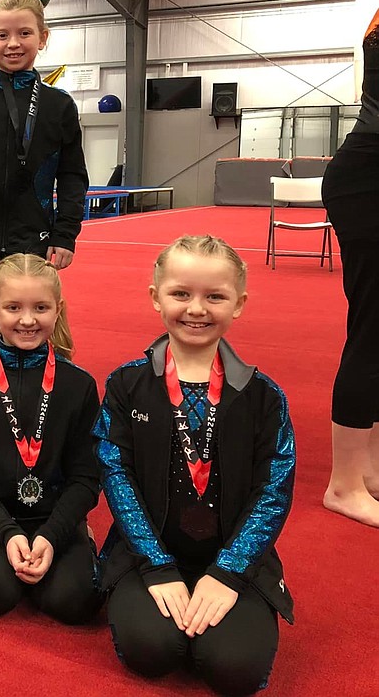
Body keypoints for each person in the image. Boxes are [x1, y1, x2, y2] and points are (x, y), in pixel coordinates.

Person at [94, 236, 295, 696]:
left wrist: (229, 573)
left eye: (215, 296)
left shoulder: (264, 396)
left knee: (234, 671)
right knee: (152, 652)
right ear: (155, 297)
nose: (197, 309)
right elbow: (116, 476)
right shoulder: (126, 385)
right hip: (148, 550)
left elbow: (274, 490)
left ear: (239, 304)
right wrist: (156, 564)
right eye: (181, 294)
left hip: (234, 555)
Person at [0, 254, 101, 623]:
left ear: (57, 310)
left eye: (40, 307)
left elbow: (86, 477)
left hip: (52, 515)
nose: (28, 320)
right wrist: (7, 533)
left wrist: (52, 535)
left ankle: (81, 539)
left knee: (76, 602)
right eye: (13, 307)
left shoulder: (78, 385)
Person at [0, 0, 88, 306]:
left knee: (32, 321)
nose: (13, 43)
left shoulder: (59, 105)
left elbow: (72, 176)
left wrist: (64, 234)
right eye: (2, 35)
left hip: (37, 237)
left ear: (42, 37)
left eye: (24, 33)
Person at [322, 5, 379, 528]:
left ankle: (373, 468)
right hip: (368, 181)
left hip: (366, 174)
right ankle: (344, 484)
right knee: (372, 330)